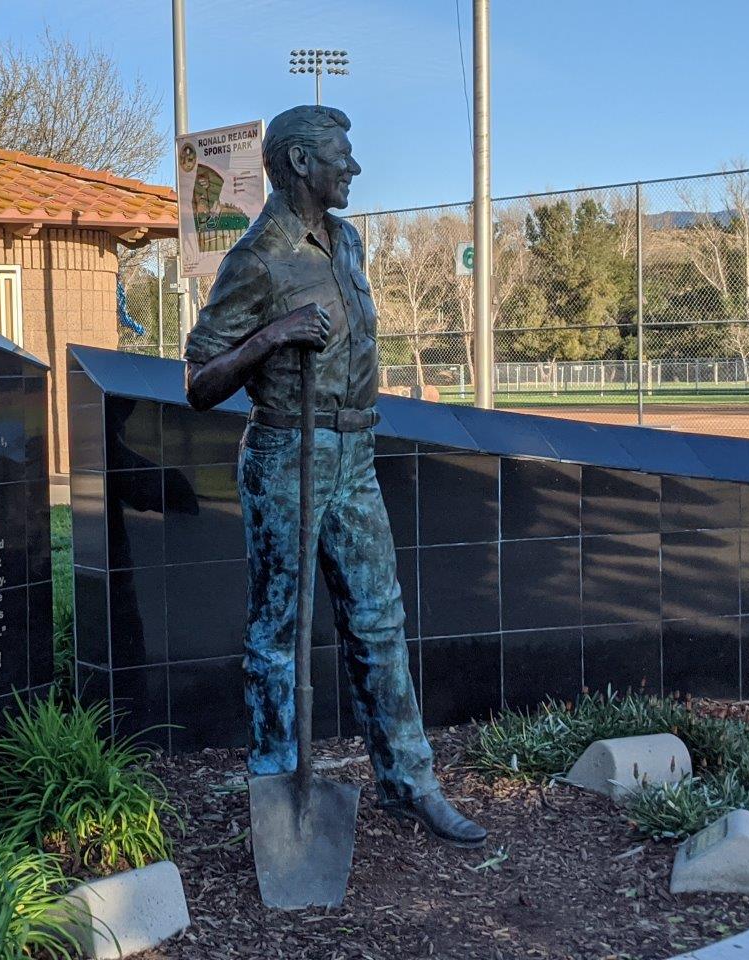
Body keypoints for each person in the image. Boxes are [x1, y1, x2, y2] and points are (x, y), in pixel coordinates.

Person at [183, 104, 486, 847]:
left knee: (380, 622)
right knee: (277, 635)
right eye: (339, 157)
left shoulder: (346, 241)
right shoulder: (255, 259)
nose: (352, 168)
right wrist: (272, 336)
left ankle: (410, 782)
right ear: (297, 164)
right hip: (288, 455)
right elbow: (198, 382)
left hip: (354, 457)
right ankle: (277, 790)